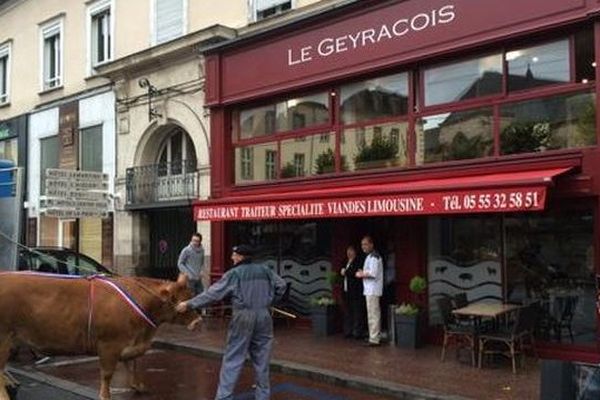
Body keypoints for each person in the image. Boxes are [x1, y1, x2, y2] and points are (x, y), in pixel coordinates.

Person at [176, 244, 287, 400]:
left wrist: (189, 304)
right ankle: (263, 396)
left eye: (234, 255)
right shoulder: (265, 270)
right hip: (264, 315)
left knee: (233, 358)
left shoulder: (234, 273)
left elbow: (212, 295)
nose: (232, 257)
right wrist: (269, 300)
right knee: (262, 359)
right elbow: (281, 285)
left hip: (243, 316)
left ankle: (224, 397)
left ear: (241, 257)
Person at [355, 235, 383, 346]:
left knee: (373, 314)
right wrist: (363, 272)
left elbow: (373, 273)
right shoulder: (369, 256)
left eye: (365, 244)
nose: (363, 247)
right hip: (369, 289)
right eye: (362, 244)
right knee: (371, 313)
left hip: (373, 289)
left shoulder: (375, 257)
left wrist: (361, 274)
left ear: (372, 244)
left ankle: (374, 338)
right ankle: (373, 336)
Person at [340, 244, 367, 339]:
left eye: (351, 251)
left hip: (356, 291)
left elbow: (356, 273)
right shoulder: (345, 261)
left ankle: (357, 332)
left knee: (357, 312)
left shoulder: (358, 262)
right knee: (347, 312)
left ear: (355, 252)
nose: (349, 253)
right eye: (348, 251)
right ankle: (348, 331)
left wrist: (346, 272)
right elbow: (341, 272)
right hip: (346, 290)